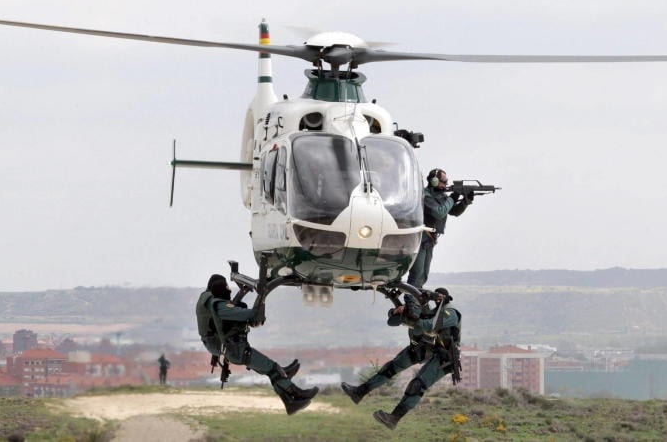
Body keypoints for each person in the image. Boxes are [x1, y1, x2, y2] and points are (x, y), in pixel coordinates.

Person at [341, 288, 462, 430]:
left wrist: (413, 317)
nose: (436, 300)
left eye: (439, 297)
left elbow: (427, 326)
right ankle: (360, 392)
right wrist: (401, 313)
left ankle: (394, 418)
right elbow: (397, 321)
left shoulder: (451, 312)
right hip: (428, 348)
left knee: (417, 385)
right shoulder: (434, 312)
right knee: (391, 367)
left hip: (445, 357)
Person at [196, 274, 317, 415]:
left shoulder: (206, 300)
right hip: (235, 350)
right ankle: (294, 395)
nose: (229, 292)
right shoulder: (219, 305)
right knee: (272, 369)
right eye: (226, 289)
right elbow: (248, 314)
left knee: (271, 369)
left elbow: (211, 326)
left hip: (230, 348)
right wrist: (260, 301)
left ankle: (288, 393)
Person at [406, 168, 469, 288]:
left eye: (446, 181)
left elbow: (453, 211)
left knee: (424, 275)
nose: (445, 184)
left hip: (430, 240)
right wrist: (453, 198)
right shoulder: (425, 195)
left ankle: (416, 302)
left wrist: (465, 202)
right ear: (434, 181)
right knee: (417, 274)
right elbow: (439, 212)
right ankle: (412, 303)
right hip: (420, 238)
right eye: (443, 181)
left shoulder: (442, 196)